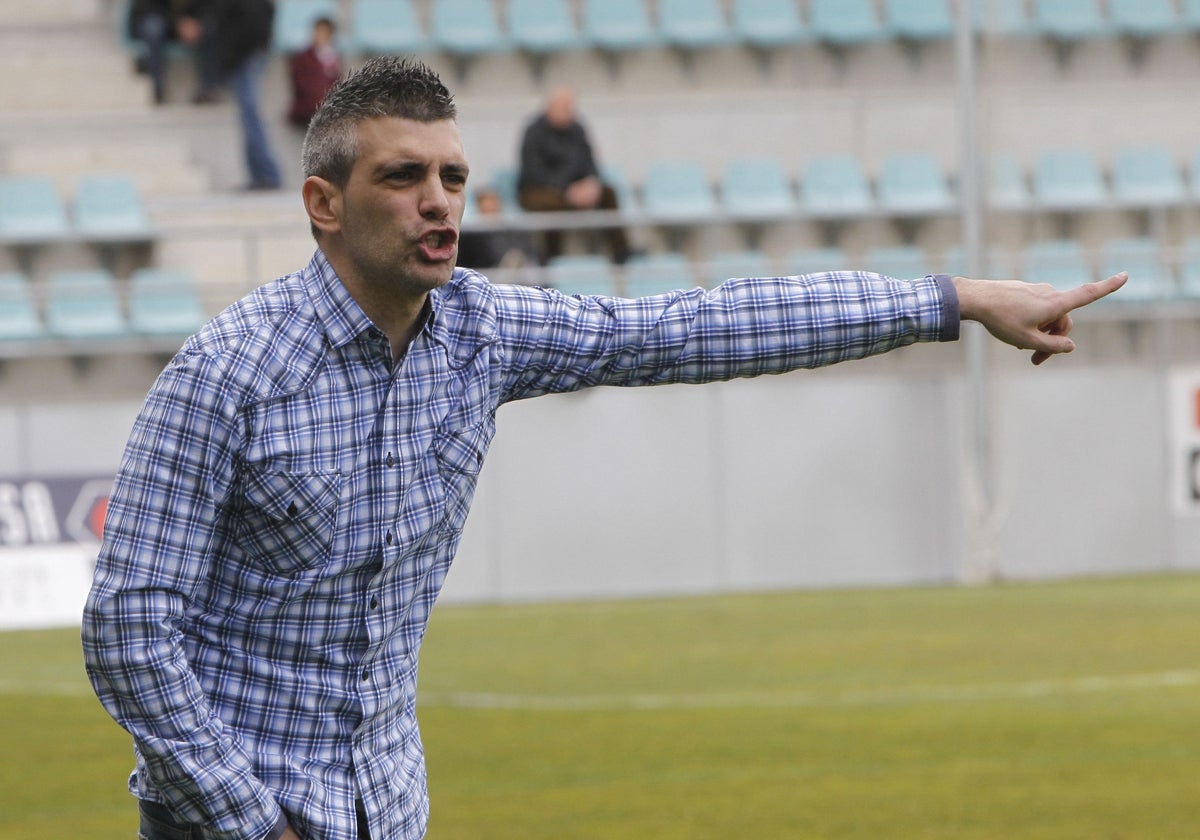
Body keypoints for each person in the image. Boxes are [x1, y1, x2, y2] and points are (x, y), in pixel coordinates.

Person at [81, 56, 1127, 840]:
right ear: (324, 203)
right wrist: (253, 820)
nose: (439, 199)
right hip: (230, 821)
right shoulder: (228, 373)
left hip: (387, 810)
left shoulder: (483, 332)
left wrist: (957, 299)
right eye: (404, 177)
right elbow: (130, 628)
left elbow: (699, 326)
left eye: (451, 175)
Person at [517, 84, 633, 262]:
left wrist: (591, 185)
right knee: (551, 203)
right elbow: (533, 173)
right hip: (540, 191)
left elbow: (590, 162)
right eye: (562, 107)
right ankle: (551, 258)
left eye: (570, 107)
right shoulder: (534, 132)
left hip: (575, 190)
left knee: (608, 192)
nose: (567, 111)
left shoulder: (578, 129)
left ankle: (621, 251)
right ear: (549, 106)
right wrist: (566, 190)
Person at [178, 0, 282, 189]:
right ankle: (260, 174)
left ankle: (267, 174)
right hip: (240, 56)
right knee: (247, 116)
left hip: (247, 55)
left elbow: (256, 19)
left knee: (250, 114)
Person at [455, 186, 541, 273]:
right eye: (486, 207)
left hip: (522, 275)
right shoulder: (469, 237)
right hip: (489, 277)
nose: (491, 210)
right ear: (479, 207)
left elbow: (532, 255)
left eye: (493, 204)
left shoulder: (516, 232)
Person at [288, 16, 342, 129]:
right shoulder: (303, 57)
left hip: (327, 113)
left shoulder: (333, 57)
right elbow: (301, 84)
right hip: (306, 113)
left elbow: (337, 82)